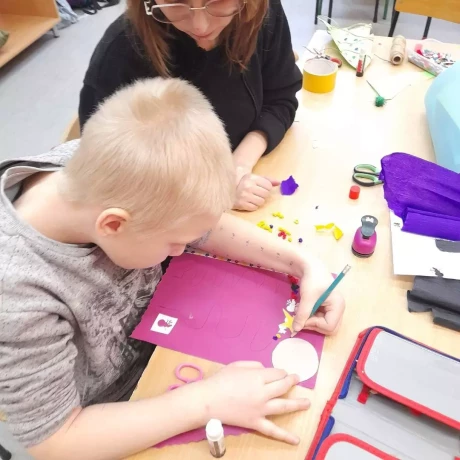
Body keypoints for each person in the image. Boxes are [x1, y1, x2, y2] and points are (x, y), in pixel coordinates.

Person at [0, 78, 344, 460]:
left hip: (169, 344)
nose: (183, 248)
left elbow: (197, 224)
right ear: (113, 224)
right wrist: (206, 401)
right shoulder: (17, 296)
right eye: (174, 243)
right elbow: (56, 441)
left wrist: (303, 263)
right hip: (116, 416)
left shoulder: (107, 170)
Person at [79, 0, 302, 212]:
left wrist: (239, 165)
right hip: (171, 210)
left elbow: (280, 98)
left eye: (219, 1)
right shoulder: (119, 54)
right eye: (176, 2)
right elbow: (111, 175)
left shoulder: (262, 12)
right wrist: (210, 192)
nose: (200, 26)